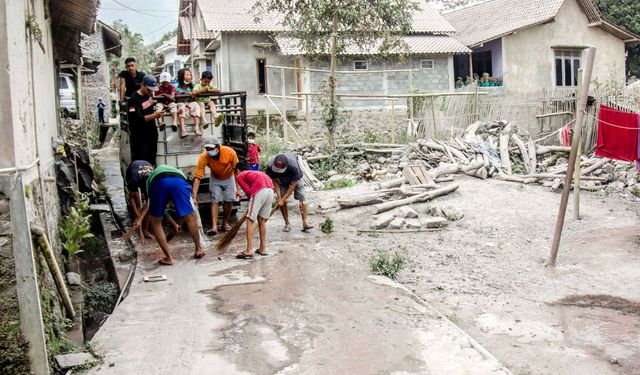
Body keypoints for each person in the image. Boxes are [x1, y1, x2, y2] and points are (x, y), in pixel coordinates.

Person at [134, 164, 205, 264]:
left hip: (158, 183)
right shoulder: (178, 171)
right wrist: (176, 223)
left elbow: (153, 208)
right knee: (190, 216)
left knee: (156, 222)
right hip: (179, 181)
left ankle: (169, 258)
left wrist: (140, 219)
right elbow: (184, 210)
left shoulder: (149, 181)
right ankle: (198, 249)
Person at [192, 136, 239, 236]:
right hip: (215, 178)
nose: (209, 151)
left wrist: (238, 189)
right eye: (207, 149)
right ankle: (214, 226)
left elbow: (236, 171)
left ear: (218, 147)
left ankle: (225, 223)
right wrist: (194, 195)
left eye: (211, 149)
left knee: (230, 200)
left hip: (229, 177)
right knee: (215, 199)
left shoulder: (230, 152)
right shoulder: (204, 156)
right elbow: (198, 176)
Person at [125, 160, 181, 244]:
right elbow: (131, 198)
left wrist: (174, 224)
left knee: (149, 207)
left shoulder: (155, 181)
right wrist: (137, 216)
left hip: (146, 170)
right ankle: (140, 233)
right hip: (133, 171)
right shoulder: (135, 180)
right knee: (137, 203)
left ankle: (145, 231)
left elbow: (152, 205)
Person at [234, 161, 274, 259]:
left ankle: (249, 250)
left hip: (260, 190)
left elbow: (249, 192)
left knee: (249, 219)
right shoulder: (256, 173)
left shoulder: (240, 175)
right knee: (262, 221)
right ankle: (262, 249)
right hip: (270, 191)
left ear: (238, 170)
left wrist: (249, 210)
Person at [265, 153, 313, 232]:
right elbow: (275, 181)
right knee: (281, 203)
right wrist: (279, 198)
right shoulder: (270, 166)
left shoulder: (293, 166)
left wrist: (283, 199)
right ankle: (287, 223)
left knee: (303, 200)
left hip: (296, 179)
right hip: (281, 181)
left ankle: (305, 223)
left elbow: (293, 185)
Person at [127, 75, 164, 165]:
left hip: (151, 133)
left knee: (152, 160)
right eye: (148, 89)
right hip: (140, 136)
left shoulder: (149, 95)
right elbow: (136, 119)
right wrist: (154, 116)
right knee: (142, 162)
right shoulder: (133, 100)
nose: (150, 92)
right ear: (142, 85)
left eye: (152, 90)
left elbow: (150, 109)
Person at [175, 68, 201, 138]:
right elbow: (175, 95)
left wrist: (193, 94)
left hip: (190, 103)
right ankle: (183, 130)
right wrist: (185, 93)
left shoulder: (192, 87)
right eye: (187, 75)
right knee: (181, 107)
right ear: (181, 76)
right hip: (180, 103)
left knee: (195, 105)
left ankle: (197, 127)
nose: (190, 76)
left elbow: (195, 97)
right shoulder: (176, 87)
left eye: (190, 75)